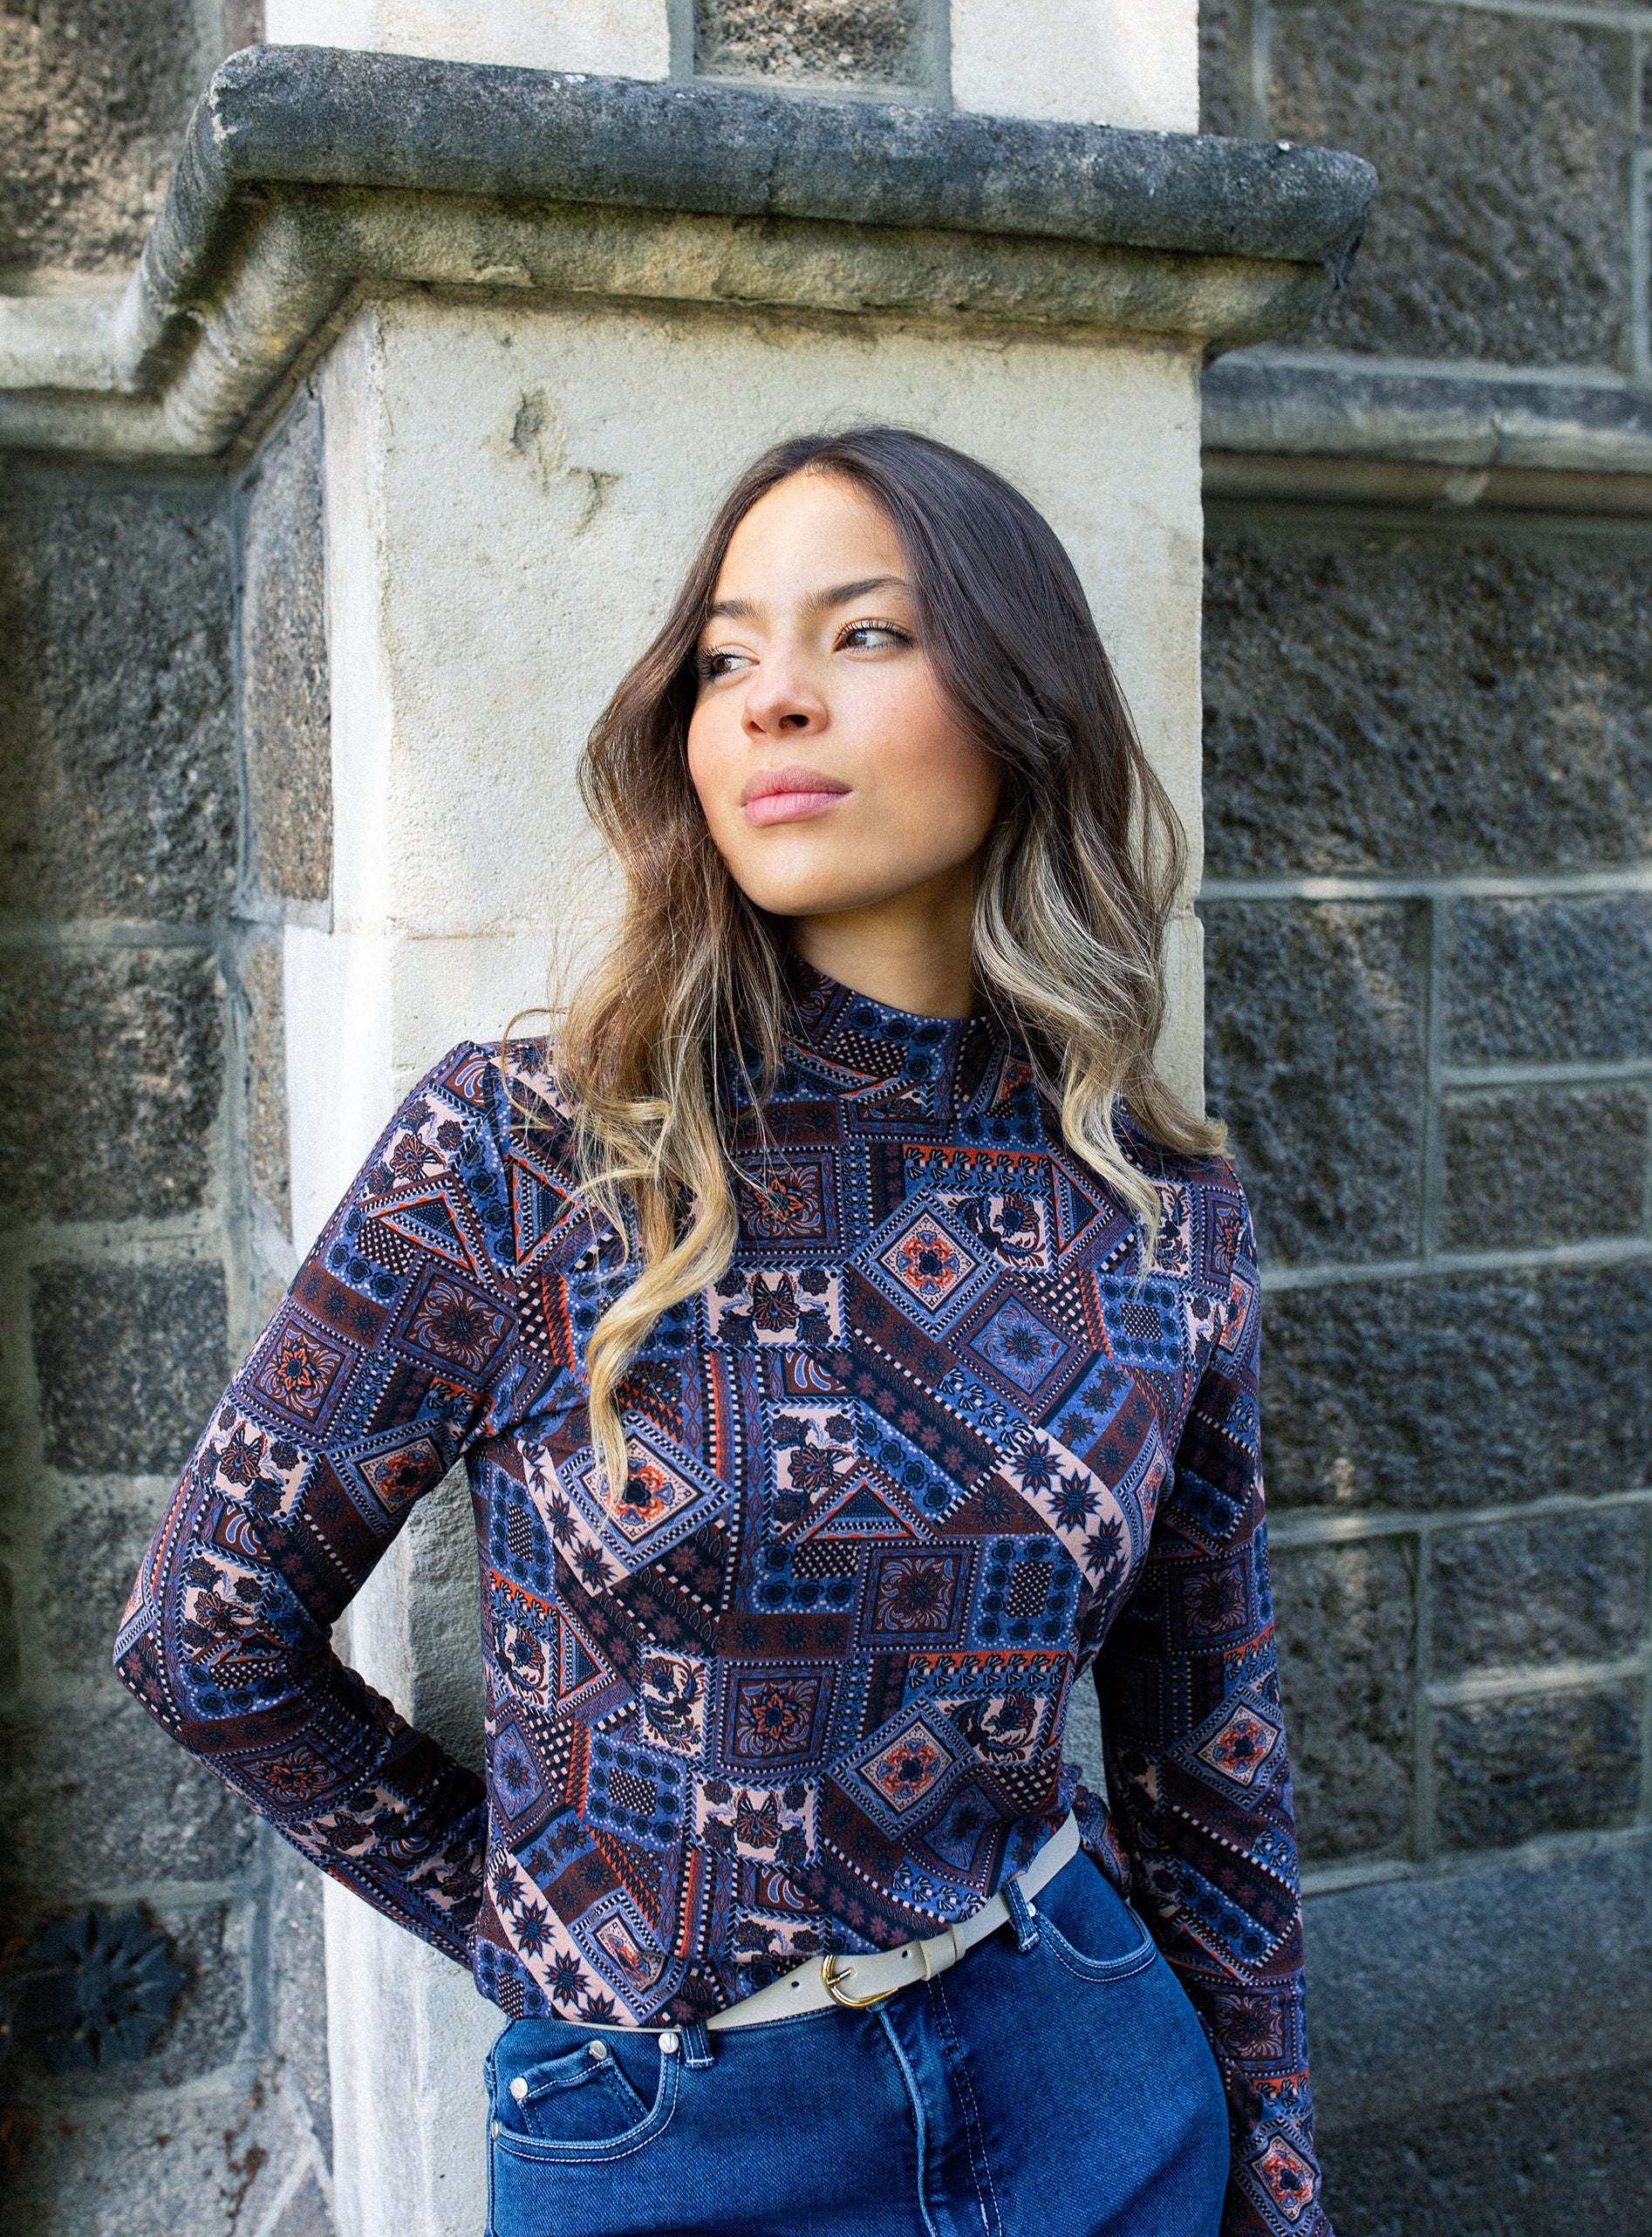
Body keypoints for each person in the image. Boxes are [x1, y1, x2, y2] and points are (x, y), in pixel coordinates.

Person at [117, 429, 1330, 2237]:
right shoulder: (523, 1154)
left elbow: (1202, 1750)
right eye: (723, 656)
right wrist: (553, 1944)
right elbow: (204, 1640)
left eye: (859, 636)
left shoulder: (1154, 1203)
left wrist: (1282, 2190)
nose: (769, 701)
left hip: (1087, 2073)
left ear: (1021, 703)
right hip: (679, 2149)